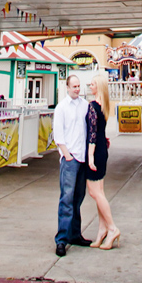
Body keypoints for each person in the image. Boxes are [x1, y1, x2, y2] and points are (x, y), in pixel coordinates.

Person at [52, 73, 91, 256]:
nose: (76, 89)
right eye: (73, 86)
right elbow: (58, 135)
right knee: (66, 198)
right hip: (71, 158)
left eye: (78, 86)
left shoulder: (85, 106)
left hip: (83, 157)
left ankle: (75, 234)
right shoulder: (61, 108)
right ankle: (61, 239)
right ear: (67, 87)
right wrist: (66, 155)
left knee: (78, 197)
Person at [85, 71, 121, 250]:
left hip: (95, 151)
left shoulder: (92, 106)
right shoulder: (104, 106)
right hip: (102, 150)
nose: (90, 86)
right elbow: (99, 131)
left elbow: (92, 134)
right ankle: (101, 230)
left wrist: (89, 156)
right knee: (99, 192)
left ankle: (112, 228)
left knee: (95, 193)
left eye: (92, 84)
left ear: (98, 86)